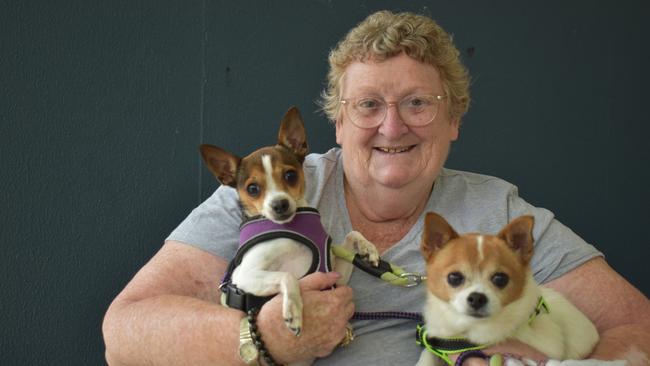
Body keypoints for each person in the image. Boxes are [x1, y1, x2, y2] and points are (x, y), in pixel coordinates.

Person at [102, 10, 650, 366]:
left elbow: (636, 326)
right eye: (367, 105)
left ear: (453, 119)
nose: (392, 127)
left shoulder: (496, 210)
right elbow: (125, 332)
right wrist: (261, 338)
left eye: (418, 103)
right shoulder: (269, 190)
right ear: (336, 123)